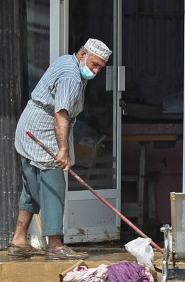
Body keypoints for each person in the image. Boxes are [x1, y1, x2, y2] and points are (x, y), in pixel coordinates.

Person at [10, 38, 111, 260]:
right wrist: (63, 149)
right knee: (52, 187)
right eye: (94, 64)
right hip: (42, 131)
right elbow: (61, 113)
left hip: (31, 126)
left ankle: (19, 240)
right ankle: (55, 246)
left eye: (100, 68)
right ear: (83, 54)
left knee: (32, 186)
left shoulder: (67, 61)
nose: (95, 71)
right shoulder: (71, 76)